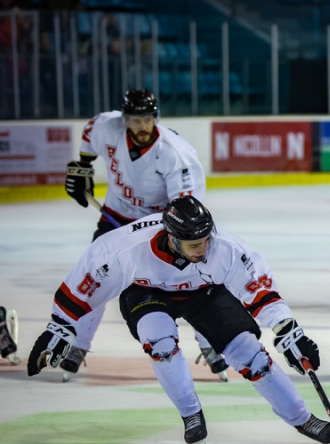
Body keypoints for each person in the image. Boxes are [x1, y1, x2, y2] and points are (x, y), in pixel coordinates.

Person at [26, 197, 330, 444]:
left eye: (206, 241)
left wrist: (288, 333)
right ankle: (191, 414)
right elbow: (84, 286)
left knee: (250, 354)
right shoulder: (123, 249)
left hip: (205, 293)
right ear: (172, 239)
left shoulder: (226, 248)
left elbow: (261, 292)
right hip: (146, 292)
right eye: (194, 246)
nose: (204, 250)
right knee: (159, 344)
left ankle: (302, 418)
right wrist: (59, 328)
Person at [62, 89, 225, 381]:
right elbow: (89, 133)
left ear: (156, 118)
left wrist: (169, 237)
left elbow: (186, 209)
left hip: (162, 226)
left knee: (191, 278)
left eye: (147, 119)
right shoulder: (107, 127)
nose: (142, 126)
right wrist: (84, 165)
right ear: (125, 119)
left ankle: (209, 343)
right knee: (95, 276)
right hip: (116, 217)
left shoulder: (176, 154)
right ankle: (78, 345)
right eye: (135, 120)